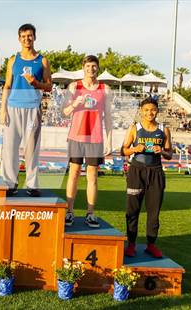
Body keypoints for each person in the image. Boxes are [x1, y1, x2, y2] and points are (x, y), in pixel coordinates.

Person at [0, 23, 52, 197]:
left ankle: (32, 184)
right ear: (19, 39)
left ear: (34, 37)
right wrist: (2, 109)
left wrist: (36, 84)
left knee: (31, 148)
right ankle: (9, 183)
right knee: (10, 148)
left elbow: (49, 86)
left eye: (29, 36)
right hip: (13, 107)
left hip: (32, 108)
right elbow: (7, 85)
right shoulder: (13, 60)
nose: (27, 39)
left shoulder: (42, 60)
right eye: (23, 36)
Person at [62, 55, 112, 228]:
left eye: (94, 66)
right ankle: (70, 211)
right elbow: (65, 112)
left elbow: (109, 117)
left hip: (95, 137)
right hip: (76, 136)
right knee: (74, 173)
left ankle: (90, 213)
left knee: (92, 176)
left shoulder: (105, 89)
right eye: (88, 66)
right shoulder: (75, 86)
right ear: (83, 67)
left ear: (98, 68)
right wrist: (75, 103)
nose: (91, 69)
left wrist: (109, 140)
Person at [122, 96, 172, 258]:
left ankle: (151, 244)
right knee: (133, 210)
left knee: (154, 211)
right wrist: (135, 149)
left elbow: (170, 154)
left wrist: (162, 151)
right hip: (136, 172)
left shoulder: (164, 129)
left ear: (157, 111)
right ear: (141, 112)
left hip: (156, 172)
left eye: (153, 109)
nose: (150, 113)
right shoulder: (134, 128)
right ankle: (131, 244)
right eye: (146, 110)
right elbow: (123, 150)